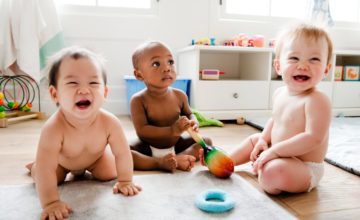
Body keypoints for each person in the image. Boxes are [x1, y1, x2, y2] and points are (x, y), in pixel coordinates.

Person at [207, 23, 332, 194]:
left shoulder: (317, 100)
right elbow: (275, 120)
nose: (303, 66)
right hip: (277, 152)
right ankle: (225, 162)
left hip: (303, 167)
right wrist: (264, 140)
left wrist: (274, 151)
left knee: (273, 172)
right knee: (254, 139)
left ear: (326, 69)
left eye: (314, 59)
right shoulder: (280, 93)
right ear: (278, 66)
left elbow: (313, 138)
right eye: (294, 58)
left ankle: (266, 173)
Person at [26, 46, 142, 220]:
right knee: (48, 176)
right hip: (62, 162)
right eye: (73, 83)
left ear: (105, 92)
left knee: (109, 172)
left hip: (96, 159)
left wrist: (126, 180)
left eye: (93, 83)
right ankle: (34, 166)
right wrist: (50, 203)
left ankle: (97, 168)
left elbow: (122, 153)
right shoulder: (53, 129)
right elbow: (46, 169)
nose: (84, 90)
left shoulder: (110, 122)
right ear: (54, 93)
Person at [130, 41, 212, 172]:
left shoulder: (180, 95)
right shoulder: (138, 100)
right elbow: (142, 130)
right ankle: (158, 163)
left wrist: (193, 122)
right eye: (156, 64)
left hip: (176, 143)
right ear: (139, 74)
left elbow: (189, 113)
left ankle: (177, 159)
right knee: (124, 152)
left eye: (170, 62)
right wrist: (172, 130)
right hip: (148, 147)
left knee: (206, 142)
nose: (167, 68)